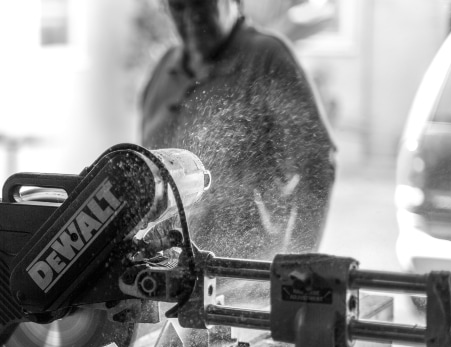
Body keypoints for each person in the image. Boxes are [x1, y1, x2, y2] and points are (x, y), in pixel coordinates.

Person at [141, 0, 336, 272]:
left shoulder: (267, 58)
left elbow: (316, 164)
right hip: (165, 278)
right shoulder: (165, 69)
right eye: (178, 6)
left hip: (244, 280)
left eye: (202, 5)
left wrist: (296, 267)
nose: (191, 16)